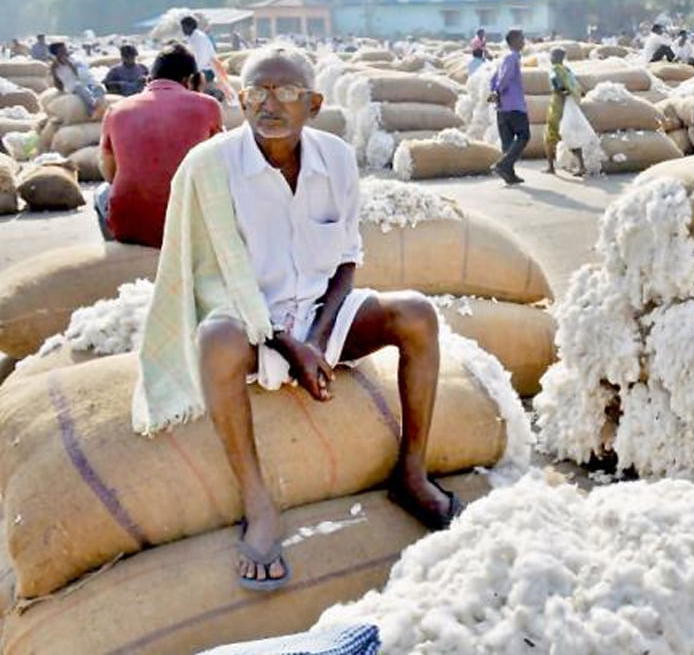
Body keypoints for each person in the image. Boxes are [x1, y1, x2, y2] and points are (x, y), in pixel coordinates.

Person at [132, 46, 461, 591]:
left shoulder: (335, 157)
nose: (269, 104)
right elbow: (212, 280)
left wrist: (319, 335)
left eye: (285, 93)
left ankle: (412, 473)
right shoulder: (210, 168)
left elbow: (347, 259)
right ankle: (258, 506)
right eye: (256, 92)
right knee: (215, 339)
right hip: (245, 317)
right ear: (240, 99)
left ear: (313, 103)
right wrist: (288, 345)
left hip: (319, 313)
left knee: (418, 314)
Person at [95, 43, 222, 246]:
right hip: (191, 225)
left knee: (101, 192)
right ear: (190, 79)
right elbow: (219, 164)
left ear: (149, 79)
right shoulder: (208, 105)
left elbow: (109, 173)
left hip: (132, 227)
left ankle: (120, 251)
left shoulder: (116, 109)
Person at [488, 29, 528, 185]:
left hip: (502, 107)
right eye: (522, 39)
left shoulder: (504, 59)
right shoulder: (512, 58)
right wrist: (498, 92)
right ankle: (503, 165)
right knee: (524, 135)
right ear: (515, 41)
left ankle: (509, 174)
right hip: (514, 105)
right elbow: (505, 78)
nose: (524, 42)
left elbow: (493, 78)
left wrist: (495, 92)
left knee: (507, 141)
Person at [543, 47, 588, 175]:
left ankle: (551, 167)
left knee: (549, 137)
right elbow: (578, 88)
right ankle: (582, 166)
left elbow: (558, 87)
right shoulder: (567, 70)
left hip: (557, 105)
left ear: (554, 57)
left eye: (551, 56)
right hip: (570, 106)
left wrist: (562, 93)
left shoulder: (554, 70)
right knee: (571, 135)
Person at [48, 42, 106, 118]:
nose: (65, 52)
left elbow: (81, 74)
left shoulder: (73, 60)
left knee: (99, 89)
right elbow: (58, 82)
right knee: (81, 89)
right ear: (57, 53)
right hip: (73, 87)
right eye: (62, 50)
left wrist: (69, 63)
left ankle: (101, 107)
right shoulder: (55, 67)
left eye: (65, 49)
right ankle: (91, 110)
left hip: (84, 83)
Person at [182, 15, 224, 101]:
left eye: (184, 27)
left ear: (190, 26)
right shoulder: (193, 37)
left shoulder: (198, 38)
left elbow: (201, 59)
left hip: (206, 70)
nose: (182, 30)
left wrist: (191, 72)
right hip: (202, 67)